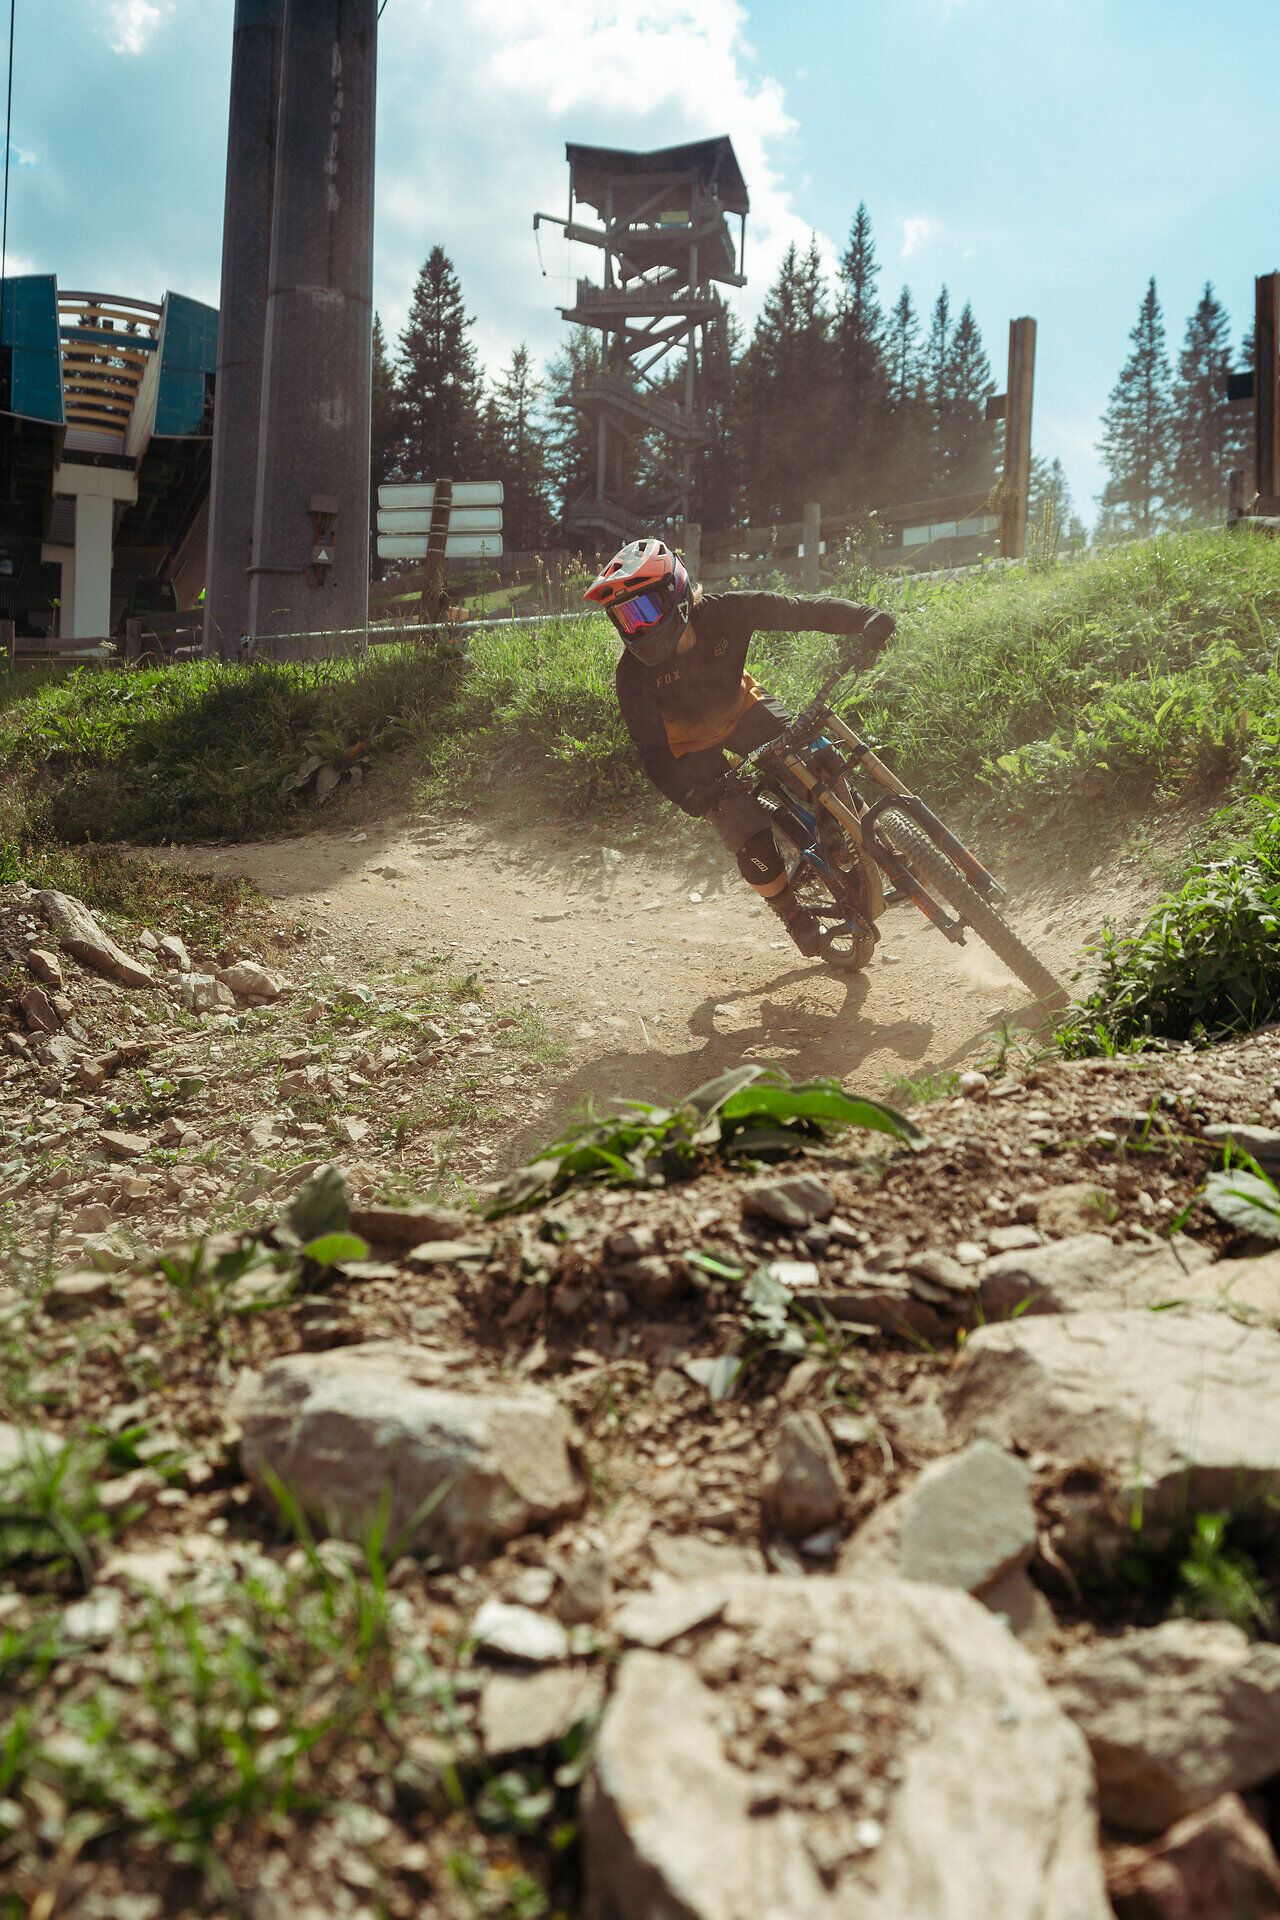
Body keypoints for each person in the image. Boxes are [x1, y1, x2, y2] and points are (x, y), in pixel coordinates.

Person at [585, 536, 896, 957]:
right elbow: (652, 753)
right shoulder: (632, 677)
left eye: (643, 609)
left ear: (675, 592)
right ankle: (792, 915)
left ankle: (874, 840)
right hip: (690, 745)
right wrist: (688, 795)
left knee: (819, 761)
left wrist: (865, 617)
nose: (636, 627)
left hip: (744, 708)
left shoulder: (726, 611)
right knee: (746, 836)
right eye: (624, 618)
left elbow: (802, 610)